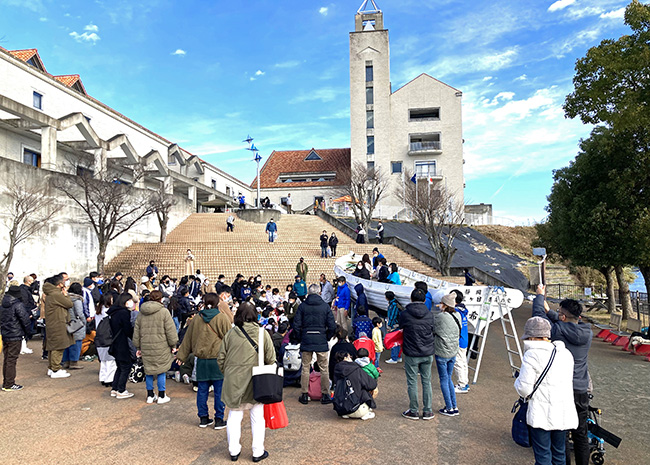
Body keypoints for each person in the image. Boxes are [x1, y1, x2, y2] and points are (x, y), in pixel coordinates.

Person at [533, 285, 592, 465]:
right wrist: (552, 311)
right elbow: (564, 321)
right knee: (581, 433)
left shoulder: (557, 331)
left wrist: (539, 296)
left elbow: (538, 321)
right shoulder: (587, 332)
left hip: (563, 389)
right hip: (581, 388)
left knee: (563, 431)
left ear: (563, 317)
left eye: (560, 313)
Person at [515, 317, 578, 465]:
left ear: (531, 336)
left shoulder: (532, 355)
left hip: (542, 413)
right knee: (559, 454)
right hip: (563, 412)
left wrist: (517, 381)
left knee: (543, 455)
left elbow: (524, 389)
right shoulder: (566, 354)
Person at [217, 302, 275, 462]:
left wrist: (228, 373)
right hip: (257, 382)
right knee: (257, 417)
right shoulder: (262, 333)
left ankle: (233, 450)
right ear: (255, 315)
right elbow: (271, 359)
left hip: (233, 381)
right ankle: (257, 451)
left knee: (234, 416)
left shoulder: (230, 334)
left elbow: (220, 358)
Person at [177, 293, 231, 428]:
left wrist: (181, 356)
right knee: (219, 391)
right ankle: (219, 418)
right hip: (217, 359)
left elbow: (188, 338)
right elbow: (230, 338)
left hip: (201, 359)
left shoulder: (196, 319)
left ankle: (203, 417)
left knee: (202, 390)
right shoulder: (221, 318)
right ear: (218, 303)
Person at [294, 284, 337, 405]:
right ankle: (325, 394)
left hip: (306, 338)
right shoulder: (324, 306)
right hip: (321, 339)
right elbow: (332, 325)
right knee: (324, 368)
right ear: (319, 292)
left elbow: (296, 325)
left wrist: (300, 337)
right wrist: (327, 337)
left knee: (305, 367)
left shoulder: (303, 306)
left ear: (308, 292)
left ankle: (304, 393)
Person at [133, 290, 178, 404]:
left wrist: (138, 347)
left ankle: (150, 395)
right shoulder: (164, 312)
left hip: (145, 345)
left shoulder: (141, 312)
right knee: (161, 370)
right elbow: (170, 330)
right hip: (161, 345)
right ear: (160, 299)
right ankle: (161, 395)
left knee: (148, 370)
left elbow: (137, 331)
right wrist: (173, 344)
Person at [400, 288, 436, 420]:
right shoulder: (430, 314)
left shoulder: (405, 314)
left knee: (412, 382)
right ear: (425, 300)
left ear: (411, 299)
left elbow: (401, 327)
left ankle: (414, 411)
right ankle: (428, 411)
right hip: (427, 352)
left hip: (412, 352)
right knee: (427, 381)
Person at [434, 294, 462, 417]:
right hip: (453, 351)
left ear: (445, 305)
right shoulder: (458, 315)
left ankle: (449, 408)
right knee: (449, 378)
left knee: (444, 379)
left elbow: (434, 330)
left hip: (442, 352)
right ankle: (454, 406)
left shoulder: (441, 316)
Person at [2, 284, 32, 391]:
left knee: (7, 359)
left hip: (6, 334)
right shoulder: (18, 305)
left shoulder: (3, 304)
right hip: (15, 335)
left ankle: (7, 382)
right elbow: (25, 320)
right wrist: (29, 333)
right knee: (12, 360)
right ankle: (9, 384)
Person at [43, 274, 74, 379]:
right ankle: (55, 369)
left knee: (52, 347)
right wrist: (66, 295)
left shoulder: (50, 293)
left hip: (52, 323)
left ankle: (52, 368)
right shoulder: (56, 294)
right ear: (60, 284)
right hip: (58, 323)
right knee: (58, 346)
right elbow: (69, 304)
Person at [332, 351, 377, 420]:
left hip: (341, 408)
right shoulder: (355, 369)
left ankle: (347, 413)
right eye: (350, 357)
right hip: (357, 408)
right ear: (345, 358)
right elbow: (371, 385)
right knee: (370, 388)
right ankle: (365, 409)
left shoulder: (336, 369)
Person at [108, 294, 136, 399]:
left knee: (120, 366)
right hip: (122, 343)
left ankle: (114, 388)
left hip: (115, 342)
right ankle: (121, 389)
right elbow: (127, 329)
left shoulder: (113, 312)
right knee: (126, 366)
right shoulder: (123, 313)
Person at [62, 283, 86, 370]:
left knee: (67, 342)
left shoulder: (65, 298)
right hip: (76, 324)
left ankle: (66, 361)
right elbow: (80, 313)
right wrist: (84, 322)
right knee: (76, 342)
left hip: (67, 322)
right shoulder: (77, 300)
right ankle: (74, 362)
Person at [450, 289, 470, 394]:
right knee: (463, 362)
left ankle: (462, 385)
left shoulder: (456, 311)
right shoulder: (463, 310)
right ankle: (464, 383)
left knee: (458, 363)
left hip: (458, 340)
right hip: (464, 339)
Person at [95, 293, 116, 387]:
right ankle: (109, 379)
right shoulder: (109, 311)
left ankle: (103, 378)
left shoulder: (98, 311)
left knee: (103, 360)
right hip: (108, 337)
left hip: (99, 337)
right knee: (111, 361)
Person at [384, 291, 403, 364]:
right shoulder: (396, 303)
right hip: (398, 325)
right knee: (398, 341)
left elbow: (392, 316)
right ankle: (398, 357)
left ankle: (394, 358)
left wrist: (389, 326)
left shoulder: (393, 305)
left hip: (394, 325)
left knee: (393, 341)